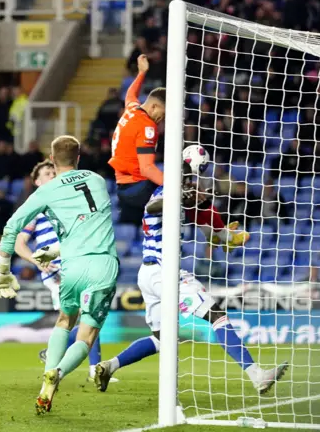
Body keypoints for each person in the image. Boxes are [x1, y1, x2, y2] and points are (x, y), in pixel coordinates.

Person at [94, 165, 286, 395]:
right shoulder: (163, 193)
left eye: (189, 177)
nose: (189, 181)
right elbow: (153, 207)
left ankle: (109, 366)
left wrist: (223, 234)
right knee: (217, 315)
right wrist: (176, 194)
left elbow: (210, 231)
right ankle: (257, 375)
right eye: (185, 177)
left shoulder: (181, 199)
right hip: (165, 272)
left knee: (161, 338)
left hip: (149, 273)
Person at [0, 135, 118, 414]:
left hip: (71, 267)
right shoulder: (98, 180)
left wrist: (3, 268)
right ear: (79, 158)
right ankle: (58, 373)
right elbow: (87, 224)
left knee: (64, 319)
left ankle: (46, 385)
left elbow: (12, 227)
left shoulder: (46, 191)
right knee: (86, 336)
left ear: (52, 159)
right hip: (103, 265)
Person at [14, 159, 118, 385]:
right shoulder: (37, 209)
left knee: (81, 315)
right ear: (37, 181)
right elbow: (19, 243)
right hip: (57, 270)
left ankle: (60, 356)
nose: (52, 176)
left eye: (53, 172)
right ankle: (86, 367)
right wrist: (35, 260)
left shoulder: (67, 201)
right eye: (47, 174)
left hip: (78, 261)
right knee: (80, 315)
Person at [108, 54, 166, 226]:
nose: (161, 119)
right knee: (187, 189)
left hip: (123, 187)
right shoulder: (147, 126)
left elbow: (131, 94)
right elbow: (147, 168)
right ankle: (217, 232)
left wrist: (141, 73)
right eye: (162, 114)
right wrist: (174, 187)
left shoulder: (132, 109)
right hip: (138, 188)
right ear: (154, 106)